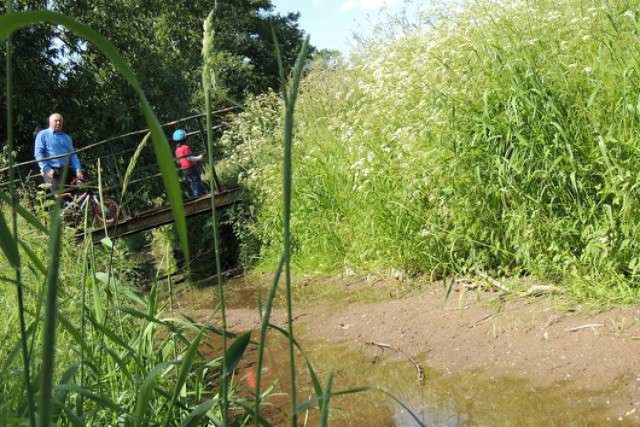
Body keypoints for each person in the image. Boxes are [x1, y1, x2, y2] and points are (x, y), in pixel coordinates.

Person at [34, 113, 85, 196]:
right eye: (56, 121)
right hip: (51, 172)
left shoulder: (66, 137)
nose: (58, 123)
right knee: (60, 198)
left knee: (76, 194)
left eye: (60, 121)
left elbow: (72, 155)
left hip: (65, 170)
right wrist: (47, 169)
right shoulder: (43, 135)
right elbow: (38, 154)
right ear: (50, 122)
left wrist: (78, 169)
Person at [173, 128, 206, 198]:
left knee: (192, 182)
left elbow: (178, 162)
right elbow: (189, 158)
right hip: (191, 167)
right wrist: (198, 158)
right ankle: (199, 195)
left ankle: (196, 194)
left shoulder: (176, 150)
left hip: (184, 169)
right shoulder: (186, 147)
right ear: (184, 139)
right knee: (197, 180)